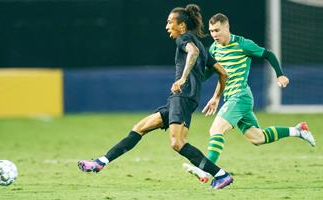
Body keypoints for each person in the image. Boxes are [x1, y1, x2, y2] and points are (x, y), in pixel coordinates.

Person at [78, 5, 233, 189]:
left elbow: (193, 52)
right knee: (140, 128)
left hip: (181, 97)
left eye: (170, 22)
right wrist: (215, 97)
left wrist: (183, 78)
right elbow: (223, 73)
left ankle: (221, 175)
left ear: (182, 25)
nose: (167, 26)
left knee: (177, 143)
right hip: (184, 100)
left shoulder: (185, 39)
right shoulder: (202, 46)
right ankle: (100, 162)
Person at [183, 13, 316, 181]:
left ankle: (206, 170)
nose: (214, 34)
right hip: (231, 97)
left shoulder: (242, 44)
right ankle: (297, 130)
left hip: (240, 96)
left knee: (216, 130)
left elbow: (268, 54)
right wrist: (192, 75)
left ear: (226, 28)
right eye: (211, 31)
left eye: (217, 30)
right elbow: (211, 74)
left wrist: (280, 75)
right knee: (257, 137)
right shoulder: (214, 49)